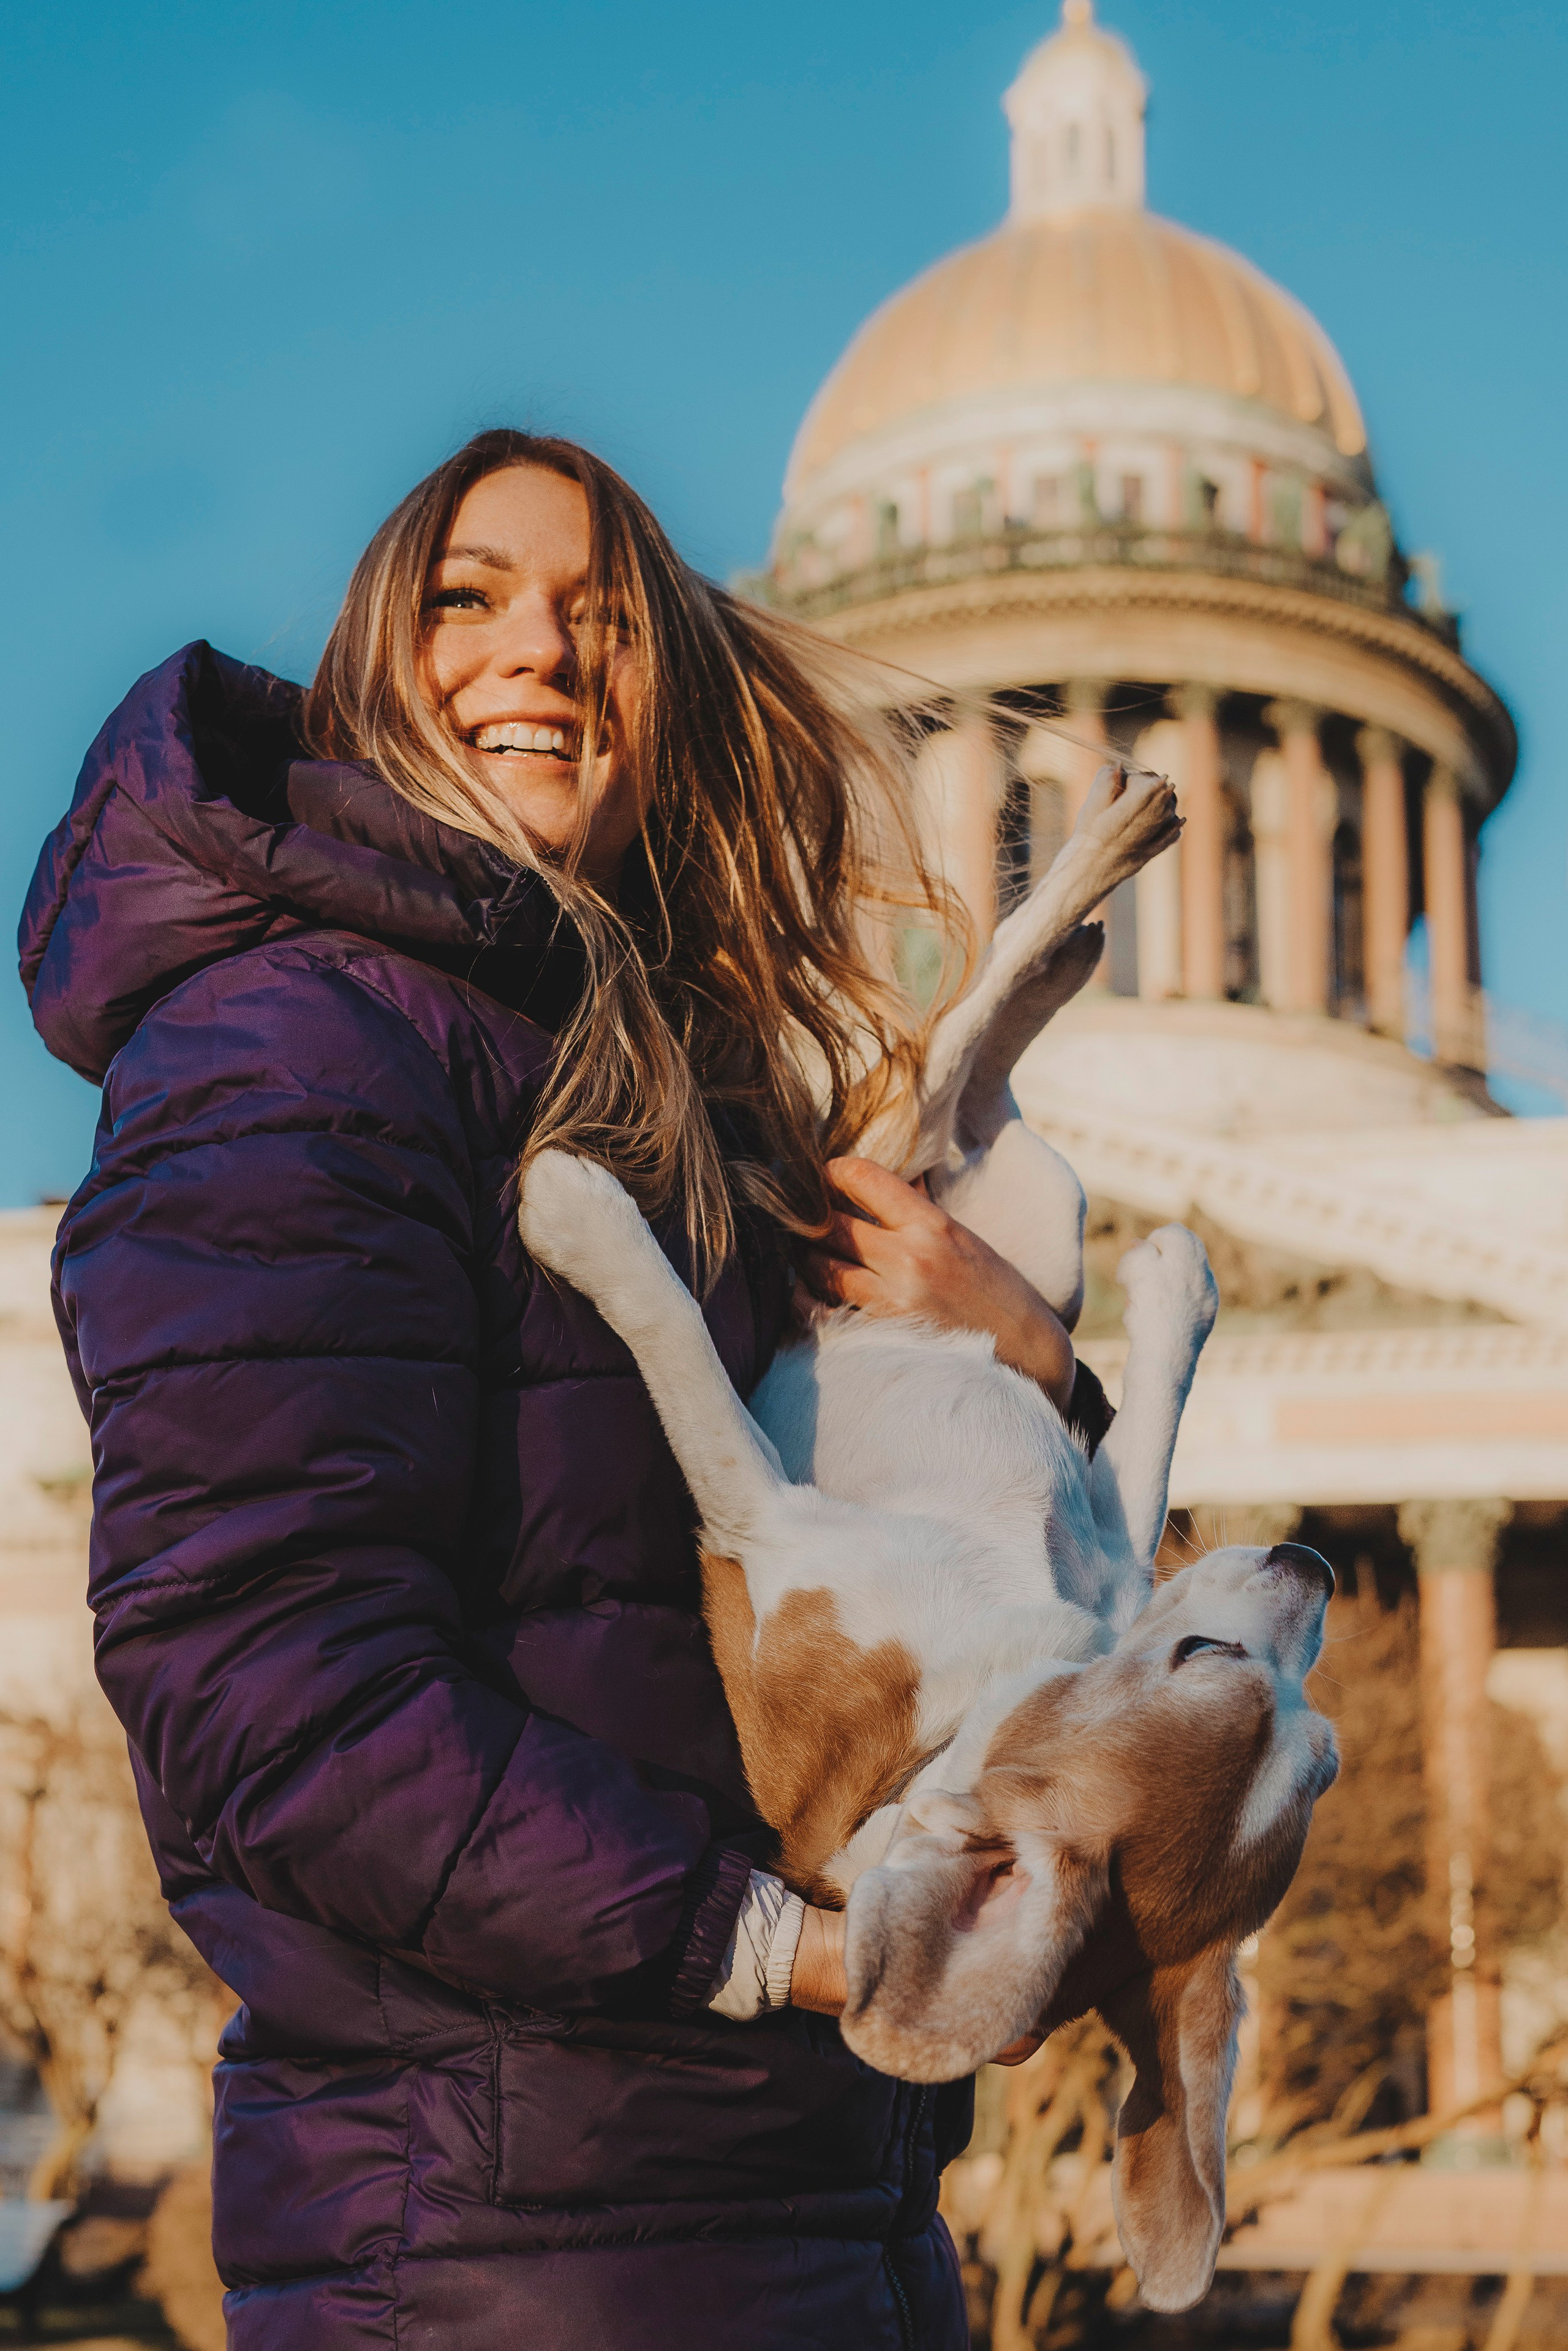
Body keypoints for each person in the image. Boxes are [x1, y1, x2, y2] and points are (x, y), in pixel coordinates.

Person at [20, 430, 1098, 2348]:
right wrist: (777, 1949)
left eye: (603, 618)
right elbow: (272, 1700)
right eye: (471, 598)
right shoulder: (294, 1050)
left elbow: (951, 1628)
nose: (543, 651)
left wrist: (1029, 1367)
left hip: (783, 2207)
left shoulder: (653, 1088)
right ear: (371, 667)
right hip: (514, 2246)